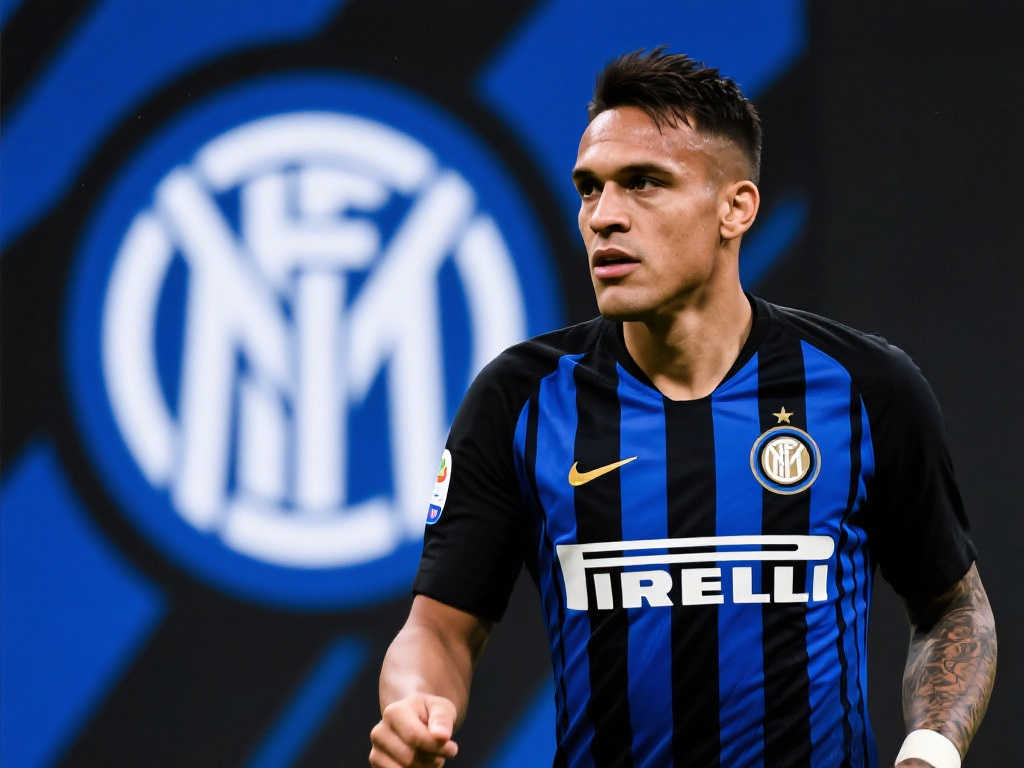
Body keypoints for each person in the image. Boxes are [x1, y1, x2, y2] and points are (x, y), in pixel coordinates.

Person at [369, 49, 996, 768]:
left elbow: (954, 609)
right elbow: (439, 630)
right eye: (590, 189)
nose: (604, 217)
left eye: (643, 183)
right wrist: (415, 704)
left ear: (736, 208)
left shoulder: (865, 386)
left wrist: (931, 751)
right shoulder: (520, 399)